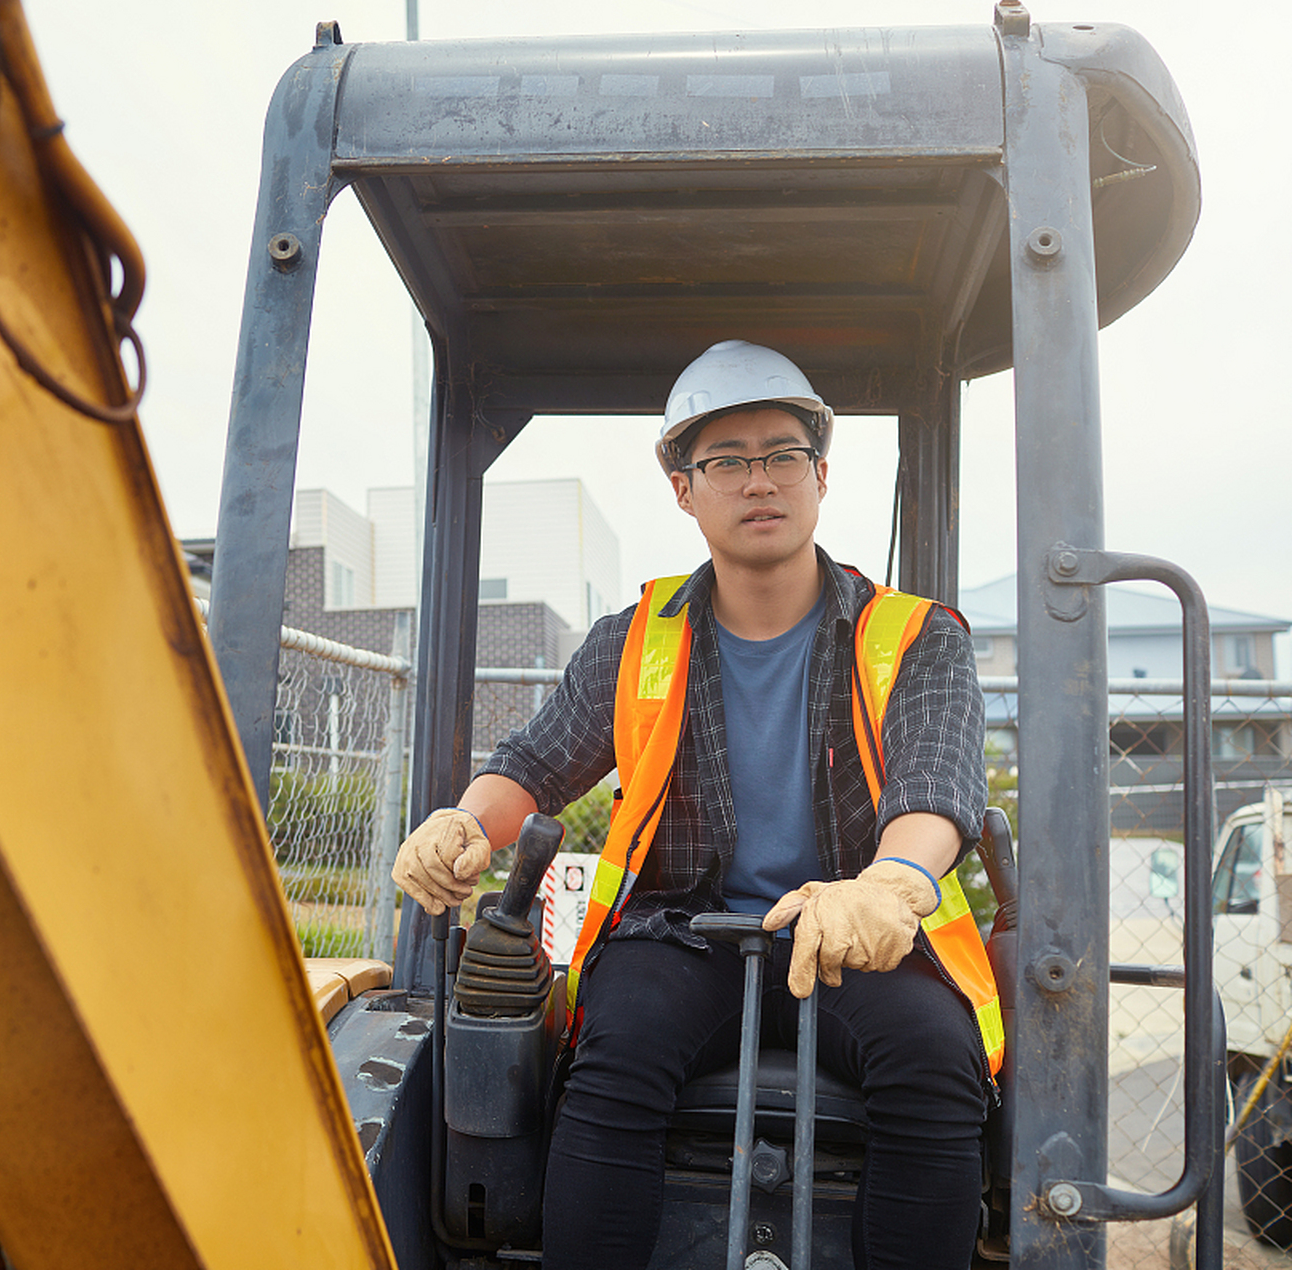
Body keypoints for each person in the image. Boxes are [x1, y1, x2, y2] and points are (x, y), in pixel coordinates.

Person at [391, 340, 996, 1270]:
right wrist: (467, 820)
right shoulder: (637, 637)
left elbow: (935, 783)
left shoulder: (915, 637)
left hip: (857, 940)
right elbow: (537, 762)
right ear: (685, 489)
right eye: (727, 461)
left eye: (784, 455)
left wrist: (893, 882)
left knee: (934, 1063)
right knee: (612, 1060)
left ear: (822, 476)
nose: (761, 480)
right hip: (685, 934)